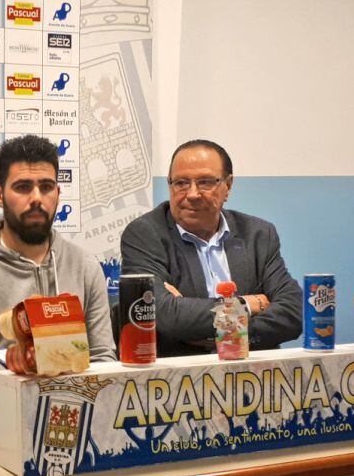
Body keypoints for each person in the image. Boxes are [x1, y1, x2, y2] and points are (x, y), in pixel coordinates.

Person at [0, 135, 116, 379]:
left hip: (76, 399)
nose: (36, 198)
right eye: (23, 187)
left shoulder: (84, 266)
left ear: (58, 193)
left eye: (46, 187)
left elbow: (103, 361)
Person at [120, 139, 302, 356]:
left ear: (228, 186)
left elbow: (293, 312)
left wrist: (221, 336)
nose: (192, 194)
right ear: (170, 185)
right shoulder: (145, 234)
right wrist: (246, 305)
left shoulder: (258, 234)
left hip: (251, 369)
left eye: (205, 182)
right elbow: (165, 315)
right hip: (183, 371)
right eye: (181, 183)